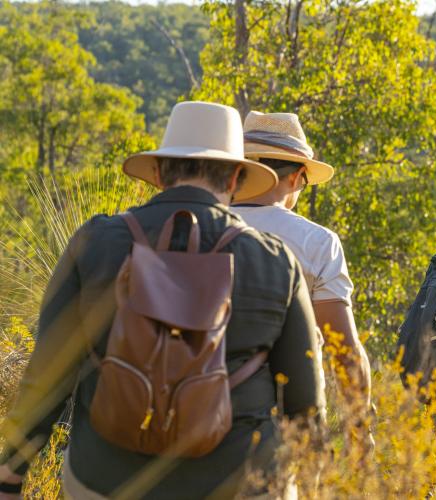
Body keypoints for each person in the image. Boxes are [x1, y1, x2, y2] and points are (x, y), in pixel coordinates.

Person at [0, 101, 323, 499]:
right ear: (237, 178)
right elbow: (305, 406)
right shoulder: (275, 262)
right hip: (238, 482)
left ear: (157, 172)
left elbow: (47, 375)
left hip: (104, 481)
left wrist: (11, 474)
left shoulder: (96, 242)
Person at [231, 112, 372, 420]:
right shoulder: (317, 241)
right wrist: (361, 430)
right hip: (285, 414)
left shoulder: (200, 223)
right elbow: (344, 349)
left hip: (195, 409)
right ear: (295, 177)